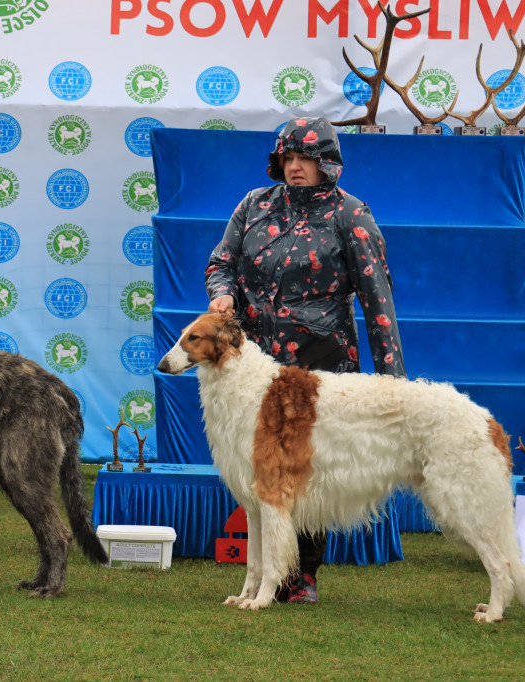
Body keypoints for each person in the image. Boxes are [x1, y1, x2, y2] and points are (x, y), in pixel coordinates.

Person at [205, 116, 405, 603]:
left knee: (309, 472)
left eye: (306, 159)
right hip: (252, 369)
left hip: (322, 366)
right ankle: (268, 571)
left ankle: (302, 576)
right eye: (288, 158)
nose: (295, 167)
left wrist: (393, 381)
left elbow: (378, 300)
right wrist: (223, 293)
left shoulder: (351, 215)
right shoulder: (254, 205)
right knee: (257, 472)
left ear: (326, 162)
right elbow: (220, 263)